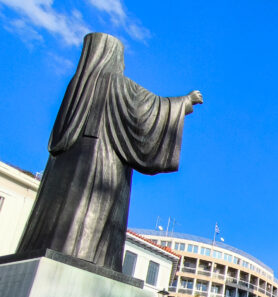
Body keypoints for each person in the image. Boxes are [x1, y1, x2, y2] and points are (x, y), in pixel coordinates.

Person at [16, 33, 202, 271]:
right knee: (93, 221)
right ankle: (91, 259)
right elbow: (148, 111)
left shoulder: (76, 86)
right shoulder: (115, 83)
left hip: (62, 169)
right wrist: (185, 102)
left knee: (55, 219)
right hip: (101, 161)